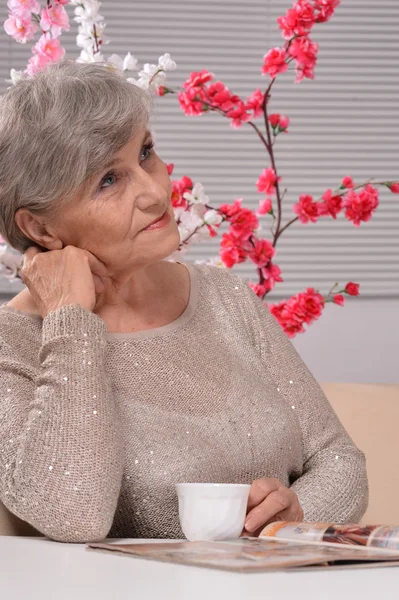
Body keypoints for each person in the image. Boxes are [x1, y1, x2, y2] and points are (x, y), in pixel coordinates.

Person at [0, 61, 368, 543]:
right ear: (40, 228)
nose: (156, 192)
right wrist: (70, 318)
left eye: (146, 153)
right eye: (108, 180)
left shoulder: (225, 295)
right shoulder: (14, 344)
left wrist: (293, 516)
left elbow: (341, 461)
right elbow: (74, 514)